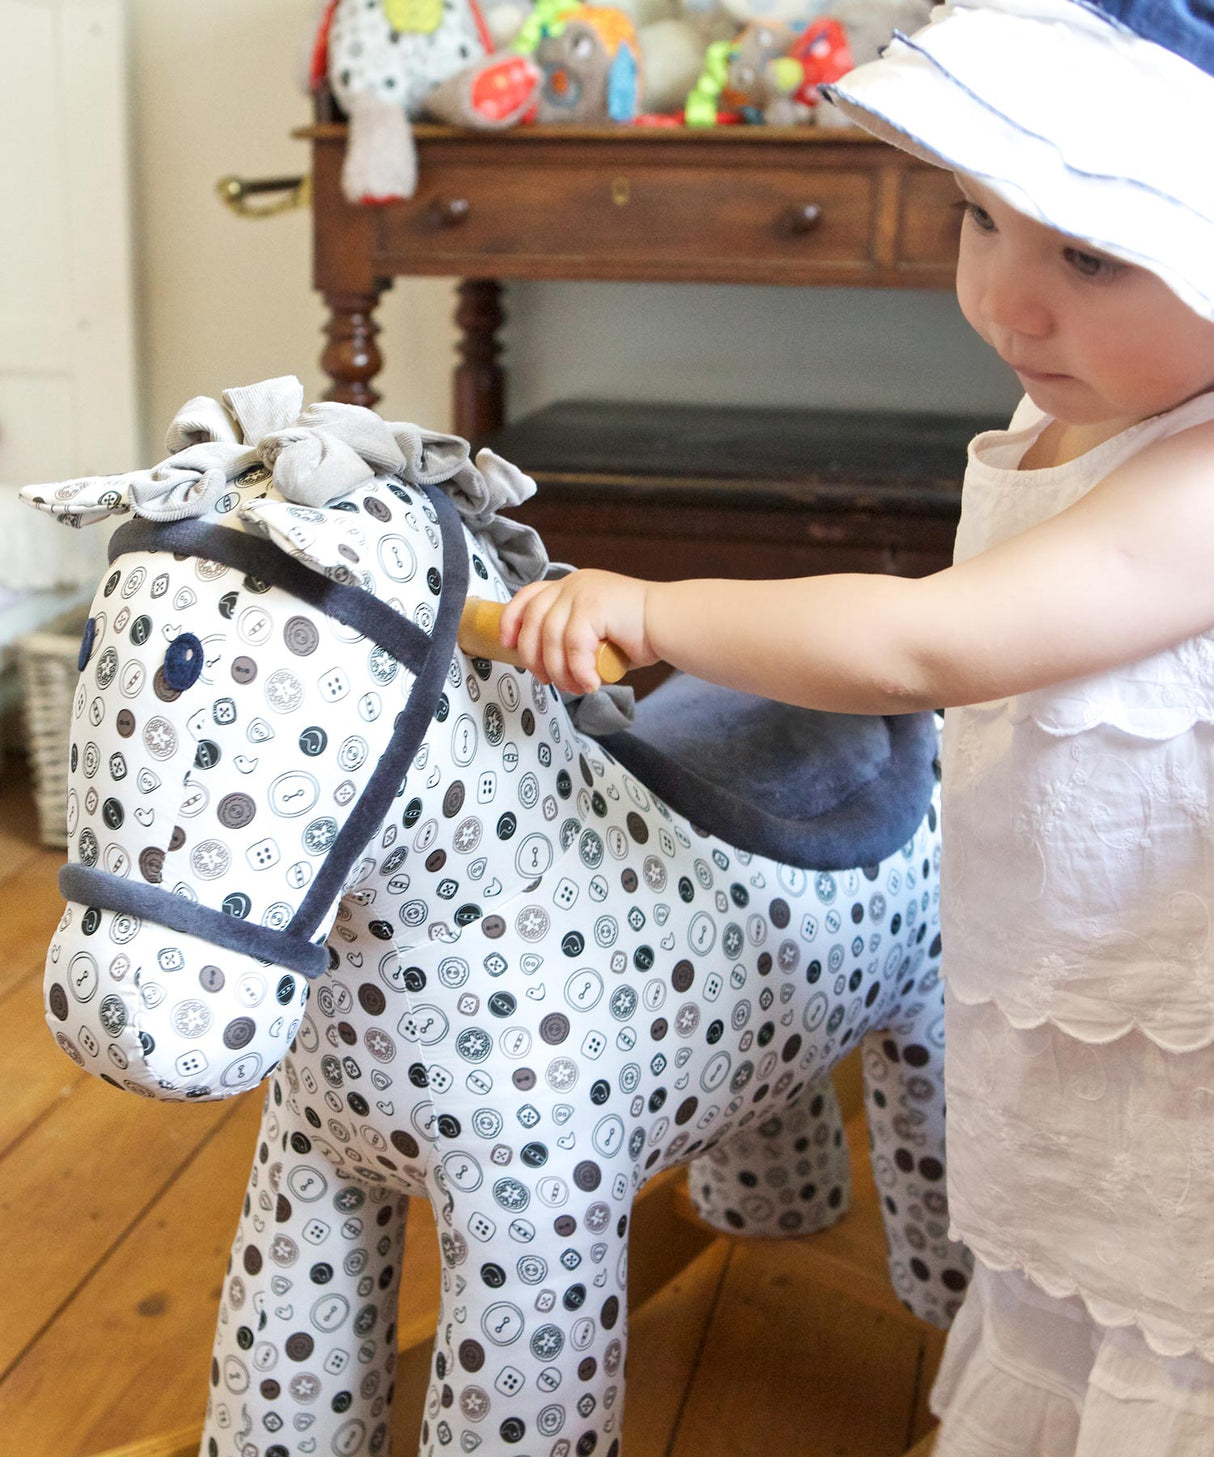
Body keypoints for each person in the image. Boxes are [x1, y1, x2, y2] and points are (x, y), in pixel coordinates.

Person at [497, 3, 1214, 1452]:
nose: (1011, 303)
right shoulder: (1075, 406)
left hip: (1176, 1006)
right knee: (1078, 1255)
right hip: (1072, 968)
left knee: (1166, 1292)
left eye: (1089, 253)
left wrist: (655, 606)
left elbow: (926, 643)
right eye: (979, 221)